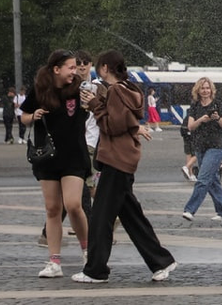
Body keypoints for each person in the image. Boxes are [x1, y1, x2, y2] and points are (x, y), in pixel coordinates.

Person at [74, 50, 176, 283]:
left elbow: (113, 125)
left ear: (104, 68)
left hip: (116, 159)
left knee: (100, 217)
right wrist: (99, 103)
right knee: (132, 217)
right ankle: (162, 261)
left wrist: (95, 106)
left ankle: (96, 270)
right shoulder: (127, 89)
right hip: (122, 158)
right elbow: (125, 121)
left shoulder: (117, 91)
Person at [20, 49, 91, 278]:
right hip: (47, 156)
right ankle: (54, 262)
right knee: (52, 209)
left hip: (74, 156)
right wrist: (34, 116)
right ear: (56, 69)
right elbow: (24, 116)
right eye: (70, 67)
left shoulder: (80, 89)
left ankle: (88, 249)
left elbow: (96, 109)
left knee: (73, 205)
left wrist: (91, 105)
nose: (75, 71)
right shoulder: (40, 88)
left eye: (76, 67)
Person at [181, 77, 222, 222]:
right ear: (198, 90)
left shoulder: (218, 105)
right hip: (200, 147)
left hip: (216, 146)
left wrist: (216, 118)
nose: (205, 91)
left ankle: (190, 210)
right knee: (212, 180)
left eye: (208, 88)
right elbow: (190, 127)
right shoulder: (195, 106)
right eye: (203, 88)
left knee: (203, 179)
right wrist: (202, 119)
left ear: (211, 90)